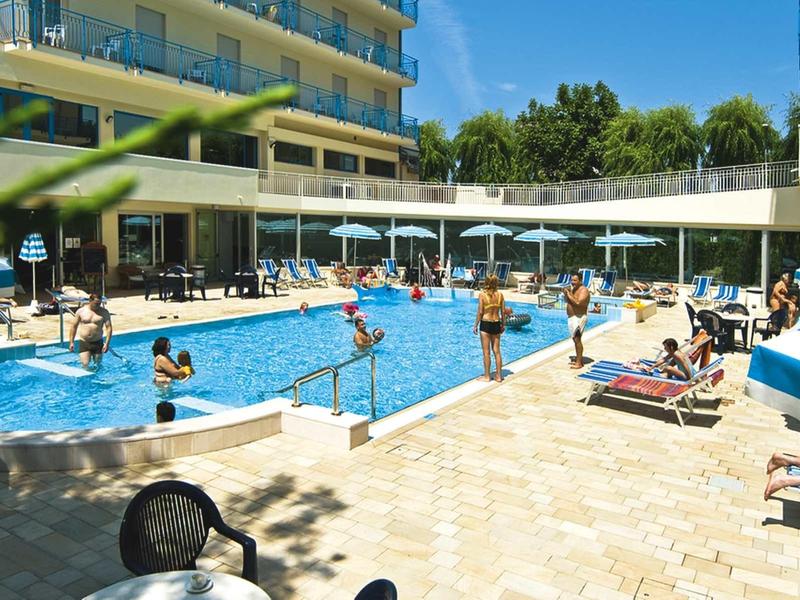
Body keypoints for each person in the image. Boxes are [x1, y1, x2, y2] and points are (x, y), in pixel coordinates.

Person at [472, 274, 505, 382]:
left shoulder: (482, 295)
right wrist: (503, 324)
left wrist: (476, 324)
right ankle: (499, 376)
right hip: (496, 323)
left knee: (486, 352)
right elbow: (503, 312)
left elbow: (480, 311)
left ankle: (487, 376)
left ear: (486, 282)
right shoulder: (500, 295)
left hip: (485, 323)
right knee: (497, 351)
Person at [68, 294, 112, 369]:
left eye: (99, 303)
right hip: (84, 342)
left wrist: (107, 344)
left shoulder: (104, 312)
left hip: (97, 342)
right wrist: (71, 342)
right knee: (85, 365)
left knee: (97, 366)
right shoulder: (81, 311)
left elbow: (109, 328)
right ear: (90, 301)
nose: (98, 305)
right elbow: (73, 327)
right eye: (96, 303)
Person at [563, 273, 590, 369]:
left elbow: (578, 303)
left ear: (580, 281)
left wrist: (569, 293)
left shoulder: (584, 290)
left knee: (577, 339)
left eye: (575, 280)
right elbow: (568, 301)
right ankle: (578, 360)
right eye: (572, 280)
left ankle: (579, 363)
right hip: (572, 317)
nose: (572, 282)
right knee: (575, 339)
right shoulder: (574, 289)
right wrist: (565, 294)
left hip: (579, 317)